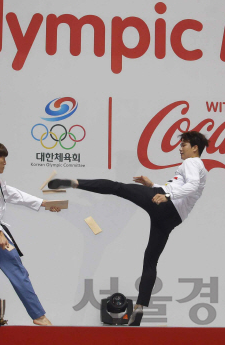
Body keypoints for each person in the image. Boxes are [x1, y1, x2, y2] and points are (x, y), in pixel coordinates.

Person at [49, 130, 209, 326]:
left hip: (165, 203)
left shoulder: (192, 162)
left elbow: (190, 186)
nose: (180, 149)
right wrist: (154, 184)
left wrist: (166, 196)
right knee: (150, 261)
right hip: (172, 218)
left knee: (118, 188)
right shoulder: (199, 168)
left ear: (195, 148)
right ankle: (140, 307)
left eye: (183, 145)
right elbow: (183, 188)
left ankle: (73, 183)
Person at [0, 142, 61, 326]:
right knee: (18, 272)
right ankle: (38, 316)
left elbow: (16, 195)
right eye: (3, 159)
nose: (5, 163)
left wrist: (45, 204)